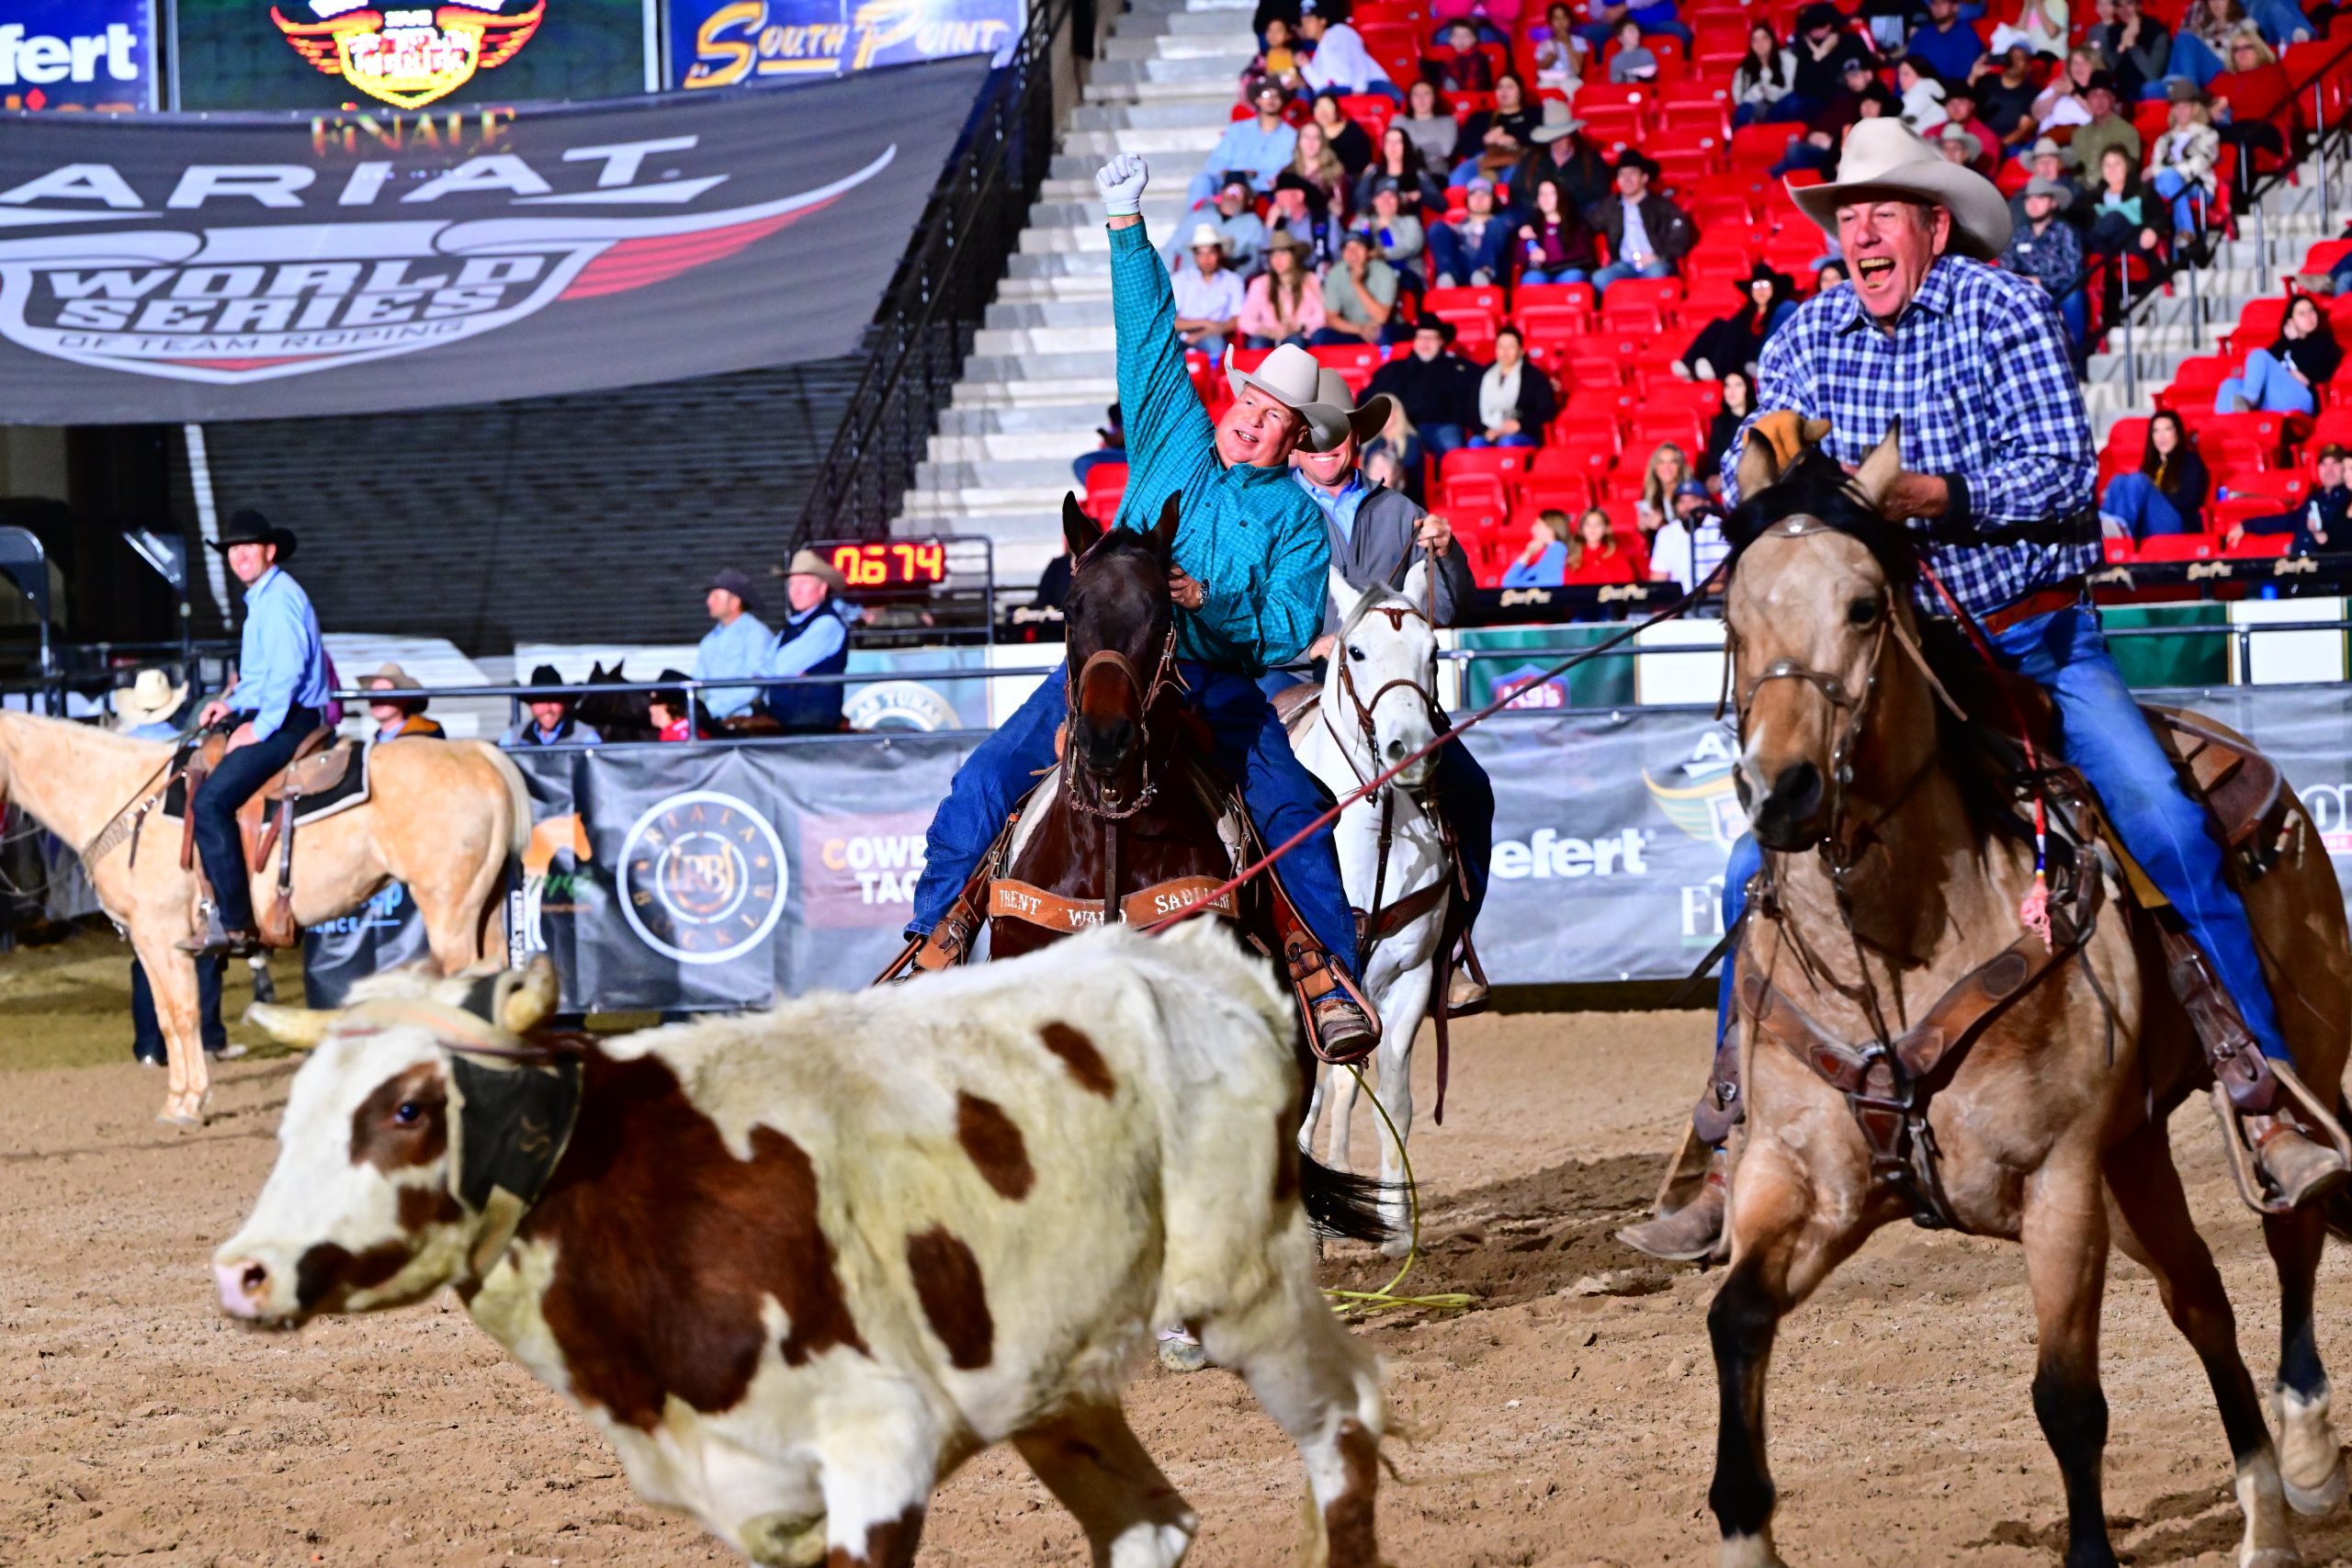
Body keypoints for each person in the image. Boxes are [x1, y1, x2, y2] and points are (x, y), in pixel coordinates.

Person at [1623, 116, 2346, 1260]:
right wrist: (1762, 478)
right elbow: (1748, 470)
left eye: (1878, 213)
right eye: (1844, 215)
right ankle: (1726, 1143)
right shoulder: (1808, 334)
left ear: (1931, 223)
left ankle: (2261, 1102)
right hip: (1895, 671)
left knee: (2162, 820)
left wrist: (1928, 497)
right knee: (1739, 875)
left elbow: (2061, 471)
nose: (1858, 233)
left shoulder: (2004, 310)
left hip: (2036, 646)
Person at [911, 151, 1381, 1059]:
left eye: (1272, 413)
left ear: (1296, 437)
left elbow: (1288, 631)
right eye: (1248, 397)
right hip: (1109, 667)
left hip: (1211, 683)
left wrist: (1211, 598)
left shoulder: (1296, 520)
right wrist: (1126, 226)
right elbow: (1148, 337)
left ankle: (1323, 972)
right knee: (983, 781)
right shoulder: (1176, 438)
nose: (1248, 414)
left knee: (1289, 808)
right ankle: (933, 941)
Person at [1287, 368, 1493, 1006]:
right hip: (1295, 679)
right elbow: (1247, 607)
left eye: (1337, 437)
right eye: (1314, 438)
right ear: (1295, 445)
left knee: (1469, 787)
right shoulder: (1274, 512)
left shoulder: (1402, 512)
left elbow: (1449, 609)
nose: (1327, 450)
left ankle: (1452, 948)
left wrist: (1445, 551)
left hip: (1391, 694)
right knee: (1255, 788)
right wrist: (1308, 646)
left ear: (1356, 441)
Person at [181, 511, 331, 957]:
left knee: (210, 803)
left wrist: (258, 728)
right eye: (233, 549)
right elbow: (262, 675)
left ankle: (235, 923)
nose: (240, 554)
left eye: (249, 547)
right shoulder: (264, 598)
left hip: (289, 719)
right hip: (279, 711)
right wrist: (230, 703)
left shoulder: (280, 598)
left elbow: (286, 674)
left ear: (269, 551)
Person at [764, 550, 857, 733]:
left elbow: (778, 667)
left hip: (812, 724)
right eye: (792, 584)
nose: (795, 591)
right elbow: (766, 668)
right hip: (789, 720)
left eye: (803, 583)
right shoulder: (794, 624)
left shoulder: (827, 624)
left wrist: (774, 673)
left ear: (822, 588)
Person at [1364, 316, 1482, 453]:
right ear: (1414, 341)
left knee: (1451, 443)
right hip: (1402, 427)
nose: (1425, 342)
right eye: (1421, 337)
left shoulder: (1459, 369)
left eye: (1431, 338)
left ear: (1441, 342)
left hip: (1442, 426)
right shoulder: (1394, 369)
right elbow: (1370, 398)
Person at [1588, 150, 1693, 295]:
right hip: (1623, 265)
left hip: (1654, 262)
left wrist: (1660, 256)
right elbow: (1587, 227)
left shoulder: (1662, 206)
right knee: (1600, 278)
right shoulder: (1610, 206)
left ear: (1644, 178)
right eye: (1622, 174)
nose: (1626, 179)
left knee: (1657, 273)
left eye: (1632, 173)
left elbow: (1681, 236)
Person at [2217, 293, 2341, 414]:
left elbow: (2307, 378)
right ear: (2291, 321)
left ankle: (2249, 399)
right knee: (2229, 385)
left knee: (2259, 355)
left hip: (2303, 399)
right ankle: (2225, 430)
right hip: (2276, 397)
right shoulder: (2282, 345)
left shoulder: (2324, 342)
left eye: (2311, 311)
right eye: (2302, 314)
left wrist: (2295, 342)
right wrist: (2288, 374)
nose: (2309, 316)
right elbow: (2261, 373)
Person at [2000, 176, 2087, 345]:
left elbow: (2073, 272)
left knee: (2073, 295)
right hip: (2025, 293)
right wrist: (2025, 282)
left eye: (2040, 198)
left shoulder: (2065, 232)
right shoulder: (2018, 235)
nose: (2033, 203)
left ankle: (2076, 355)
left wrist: (2042, 281)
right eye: (2029, 199)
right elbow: (2007, 267)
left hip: (2058, 291)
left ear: (2053, 203)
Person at [1674, 263, 1797, 381]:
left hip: (1755, 356)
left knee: (1735, 326)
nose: (1761, 290)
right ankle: (1690, 363)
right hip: (1738, 356)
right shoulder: (1746, 315)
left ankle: (1715, 368)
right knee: (1719, 324)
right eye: (1756, 286)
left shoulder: (1778, 312)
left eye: (1765, 285)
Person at [2098, 408, 2210, 536]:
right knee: (2118, 480)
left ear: (2177, 433)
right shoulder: (2150, 464)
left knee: (2138, 480)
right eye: (2156, 431)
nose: (2161, 436)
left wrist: (2153, 492)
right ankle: (2104, 526)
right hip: (2148, 522)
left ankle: (2121, 526)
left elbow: (2189, 500)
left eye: (2167, 429)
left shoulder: (2190, 461)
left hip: (2177, 521)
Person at [1190, 80, 1300, 207]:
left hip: (1259, 188)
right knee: (1201, 180)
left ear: (1282, 101)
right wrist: (1227, 173)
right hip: (1229, 181)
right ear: (1258, 100)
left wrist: (1253, 176)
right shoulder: (1237, 129)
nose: (1271, 100)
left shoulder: (1291, 136)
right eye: (1266, 95)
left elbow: (1282, 170)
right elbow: (1216, 160)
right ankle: (1196, 219)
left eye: (1276, 96)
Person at [2228, 442, 2350, 552]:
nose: (2329, 470)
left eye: (2335, 463)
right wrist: (2247, 526)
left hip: (2328, 570)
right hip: (2298, 567)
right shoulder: (2315, 498)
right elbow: (2287, 521)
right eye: (2323, 464)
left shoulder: (2348, 500)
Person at [693, 566, 775, 724]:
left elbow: (754, 686)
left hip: (746, 719)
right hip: (713, 718)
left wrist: (713, 709)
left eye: (716, 596)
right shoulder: (709, 641)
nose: (709, 601)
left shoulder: (756, 635)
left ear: (735, 601)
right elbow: (699, 682)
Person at [2147, 83, 2221, 240]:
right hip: (2165, 185)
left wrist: (2170, 172)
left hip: (2197, 187)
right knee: (2165, 181)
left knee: (2169, 178)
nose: (2180, 110)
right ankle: (2185, 236)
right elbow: (2156, 164)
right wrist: (2165, 173)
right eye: (2177, 106)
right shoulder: (2164, 139)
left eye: (2185, 106)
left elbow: (2199, 164)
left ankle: (2186, 232)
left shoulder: (2208, 134)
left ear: (2195, 109)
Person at [1514, 102, 1614, 212]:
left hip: (1578, 219)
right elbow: (1516, 190)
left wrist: (1568, 207)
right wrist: (1536, 205)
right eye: (1553, 138)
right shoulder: (1533, 158)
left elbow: (1599, 194)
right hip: (1538, 219)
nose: (1557, 142)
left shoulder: (1590, 160)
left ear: (1571, 134)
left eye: (1562, 136)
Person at [1314, 229, 1407, 344]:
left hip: (1383, 327)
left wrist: (1357, 284)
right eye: (1347, 248)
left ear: (1368, 252)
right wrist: (1360, 329)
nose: (1353, 253)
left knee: (1382, 335)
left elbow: (1381, 317)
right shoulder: (1335, 274)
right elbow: (1331, 318)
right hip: (1353, 329)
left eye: (1358, 247)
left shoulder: (1384, 272)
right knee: (1319, 337)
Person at [1470, 326, 1557, 446]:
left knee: (1507, 442)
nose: (1505, 352)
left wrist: (1520, 424)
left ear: (1520, 350)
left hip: (1523, 433)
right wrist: (1485, 430)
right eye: (1501, 347)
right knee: (1476, 443)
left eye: (1510, 347)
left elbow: (1547, 410)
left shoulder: (1534, 376)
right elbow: (1471, 410)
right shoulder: (1484, 375)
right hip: (1490, 433)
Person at [1165, 176, 1270, 275]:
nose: (1233, 196)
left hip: (1226, 286)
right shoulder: (1197, 217)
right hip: (1187, 284)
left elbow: (1253, 262)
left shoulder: (1253, 224)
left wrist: (1235, 281)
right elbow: (1171, 248)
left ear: (1249, 199)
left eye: (1239, 191)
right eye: (1230, 190)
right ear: (1221, 193)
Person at [1790, 3, 1876, 118]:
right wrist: (1818, 56)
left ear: (1830, 25)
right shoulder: (1806, 47)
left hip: (1848, 99)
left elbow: (1868, 71)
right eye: (1812, 28)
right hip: (1815, 102)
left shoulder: (1852, 42)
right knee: (1792, 104)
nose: (1816, 31)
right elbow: (1802, 88)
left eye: (1820, 26)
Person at [1172, 224, 1249, 355]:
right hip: (1181, 334)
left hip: (1216, 334)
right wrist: (1205, 323)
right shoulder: (1180, 279)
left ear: (1219, 253)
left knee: (1215, 345)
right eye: (1201, 254)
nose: (1206, 259)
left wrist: (1206, 332)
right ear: (1195, 256)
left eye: (1211, 252)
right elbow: (1172, 320)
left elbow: (1237, 319)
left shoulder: (1233, 280)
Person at [1240, 231, 1327, 345]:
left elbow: (1322, 315)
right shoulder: (1260, 284)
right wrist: (1267, 331)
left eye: (1283, 253)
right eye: (1273, 255)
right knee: (1257, 344)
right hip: (1269, 335)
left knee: (1295, 343)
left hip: (1299, 335)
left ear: (1294, 256)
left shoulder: (1310, 280)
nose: (1277, 259)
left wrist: (1299, 326)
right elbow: (1245, 320)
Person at [1300, 0, 1395, 99]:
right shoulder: (1317, 57)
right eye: (1303, 23)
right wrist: (1306, 66)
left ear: (1322, 21)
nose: (1305, 26)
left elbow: (1358, 59)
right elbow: (1320, 88)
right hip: (1347, 93)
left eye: (1309, 21)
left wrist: (1359, 89)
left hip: (1372, 84)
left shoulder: (1339, 31)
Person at [1429, 175, 1511, 287]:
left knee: (1497, 224)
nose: (1479, 199)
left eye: (1484, 195)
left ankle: (1485, 272)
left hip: (1492, 278)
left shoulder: (1500, 225)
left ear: (1492, 200)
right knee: (1437, 227)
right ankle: (1448, 276)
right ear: (1467, 199)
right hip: (1462, 273)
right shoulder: (1456, 228)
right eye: (1474, 195)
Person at [1518, 176, 1600, 283]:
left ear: (1560, 197)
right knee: (1530, 279)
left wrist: (1547, 257)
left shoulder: (1574, 223)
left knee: (1572, 277)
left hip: (1569, 270)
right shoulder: (1533, 225)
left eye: (1551, 194)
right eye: (1542, 194)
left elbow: (1582, 255)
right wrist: (1528, 248)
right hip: (1542, 272)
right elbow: (1519, 259)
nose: (1545, 198)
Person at [1354, 123, 1444, 218]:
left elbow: (1441, 205)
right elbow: (1357, 201)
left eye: (1398, 142)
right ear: (1384, 147)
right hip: (1375, 223)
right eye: (1389, 142)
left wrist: (1420, 195)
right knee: (1357, 230)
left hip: (1405, 225)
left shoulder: (1417, 174)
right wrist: (1379, 201)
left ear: (1405, 147)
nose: (1393, 146)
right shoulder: (1374, 172)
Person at [2070, 70, 2143, 180]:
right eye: (2094, 95)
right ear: (2088, 100)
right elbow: (2075, 169)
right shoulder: (2078, 134)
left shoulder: (2128, 132)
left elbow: (2130, 170)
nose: (2099, 100)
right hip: (2082, 191)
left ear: (2112, 100)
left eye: (2105, 95)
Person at [2090, 0, 2171, 99]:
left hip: (2150, 91)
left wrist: (2132, 45)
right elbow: (2112, 68)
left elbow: (2152, 76)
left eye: (2129, 3)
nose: (2124, 10)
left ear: (2139, 6)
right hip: (2123, 92)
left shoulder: (2156, 31)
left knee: (2150, 88)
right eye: (2119, 6)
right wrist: (2122, 42)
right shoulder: (2113, 31)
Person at [504, 666, 603, 747]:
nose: (547, 709)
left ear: (564, 703)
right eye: (540, 700)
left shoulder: (585, 737)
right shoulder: (513, 737)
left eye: (554, 700)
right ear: (531, 704)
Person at [1733, 22, 1800, 127]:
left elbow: (1792, 88)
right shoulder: (1744, 68)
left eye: (1764, 38)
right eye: (1755, 40)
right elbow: (1739, 99)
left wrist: (1770, 91)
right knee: (1743, 112)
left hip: (1780, 103)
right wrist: (1758, 90)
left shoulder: (1787, 58)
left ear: (1771, 40)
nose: (1760, 44)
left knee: (1794, 102)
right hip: (1754, 106)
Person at [1906, 0, 1985, 85]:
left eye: (1943, 2)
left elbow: (1962, 80)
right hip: (1918, 89)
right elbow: (1908, 67)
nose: (1937, 7)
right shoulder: (1921, 35)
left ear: (1955, 7)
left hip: (1950, 92)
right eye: (1934, 3)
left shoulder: (1968, 37)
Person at [361, 663, 445, 741]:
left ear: (404, 699)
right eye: (373, 694)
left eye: (385, 693)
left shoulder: (428, 734)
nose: (376, 699)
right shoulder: (371, 744)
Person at [1362, 181, 1426, 280]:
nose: (1386, 201)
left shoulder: (1410, 221)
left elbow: (1411, 247)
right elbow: (1357, 238)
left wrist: (1388, 227)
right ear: (1374, 201)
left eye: (1391, 196)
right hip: (1371, 274)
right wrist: (1371, 228)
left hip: (1405, 273)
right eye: (1381, 196)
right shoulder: (1365, 221)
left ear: (1398, 201)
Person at [1564, 506, 1645, 582]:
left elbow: (1626, 582)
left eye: (1597, 524)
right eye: (1588, 524)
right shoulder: (1572, 556)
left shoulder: (1616, 554)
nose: (1592, 528)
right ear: (1581, 529)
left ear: (1606, 528)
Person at [1702, 368, 1758, 479]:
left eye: (1738, 385)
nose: (1731, 391)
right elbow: (1714, 459)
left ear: (1748, 388)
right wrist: (1712, 477)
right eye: (1727, 385)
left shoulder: (1758, 419)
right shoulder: (1718, 423)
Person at [1311, 88, 1376, 177]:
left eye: (1328, 106)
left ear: (1336, 110)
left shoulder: (1352, 129)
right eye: (1319, 107)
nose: (1323, 112)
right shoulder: (1309, 133)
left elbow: (1363, 162)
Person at [1398, 79, 1462, 167]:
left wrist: (1411, 148)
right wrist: (1430, 146)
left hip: (1434, 169)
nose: (1421, 99)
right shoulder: (1399, 120)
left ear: (1434, 98)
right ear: (1410, 99)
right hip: (1403, 168)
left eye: (1426, 94)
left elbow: (1445, 151)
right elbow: (1392, 150)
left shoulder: (1447, 122)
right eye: (1416, 95)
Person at [1501, 511, 1571, 583]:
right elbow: (1508, 581)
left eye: (1537, 525)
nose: (1532, 529)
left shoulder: (1557, 549)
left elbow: (1551, 584)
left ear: (1550, 529)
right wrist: (1528, 553)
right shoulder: (1550, 551)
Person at [1072, 402, 1126, 485]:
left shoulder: (1133, 401)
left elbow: (1123, 436)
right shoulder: (1118, 408)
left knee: (1082, 463)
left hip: (1136, 453)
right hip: (1125, 451)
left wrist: (1108, 437)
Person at [648, 671, 701, 742]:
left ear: (664, 705)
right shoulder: (694, 728)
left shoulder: (671, 735)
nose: (650, 708)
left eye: (653, 701)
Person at [1607, 17, 1658, 82]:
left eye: (1637, 31)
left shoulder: (1646, 54)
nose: (1637, 34)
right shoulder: (1616, 60)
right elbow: (1615, 82)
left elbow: (1652, 78)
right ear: (1620, 38)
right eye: (1631, 31)